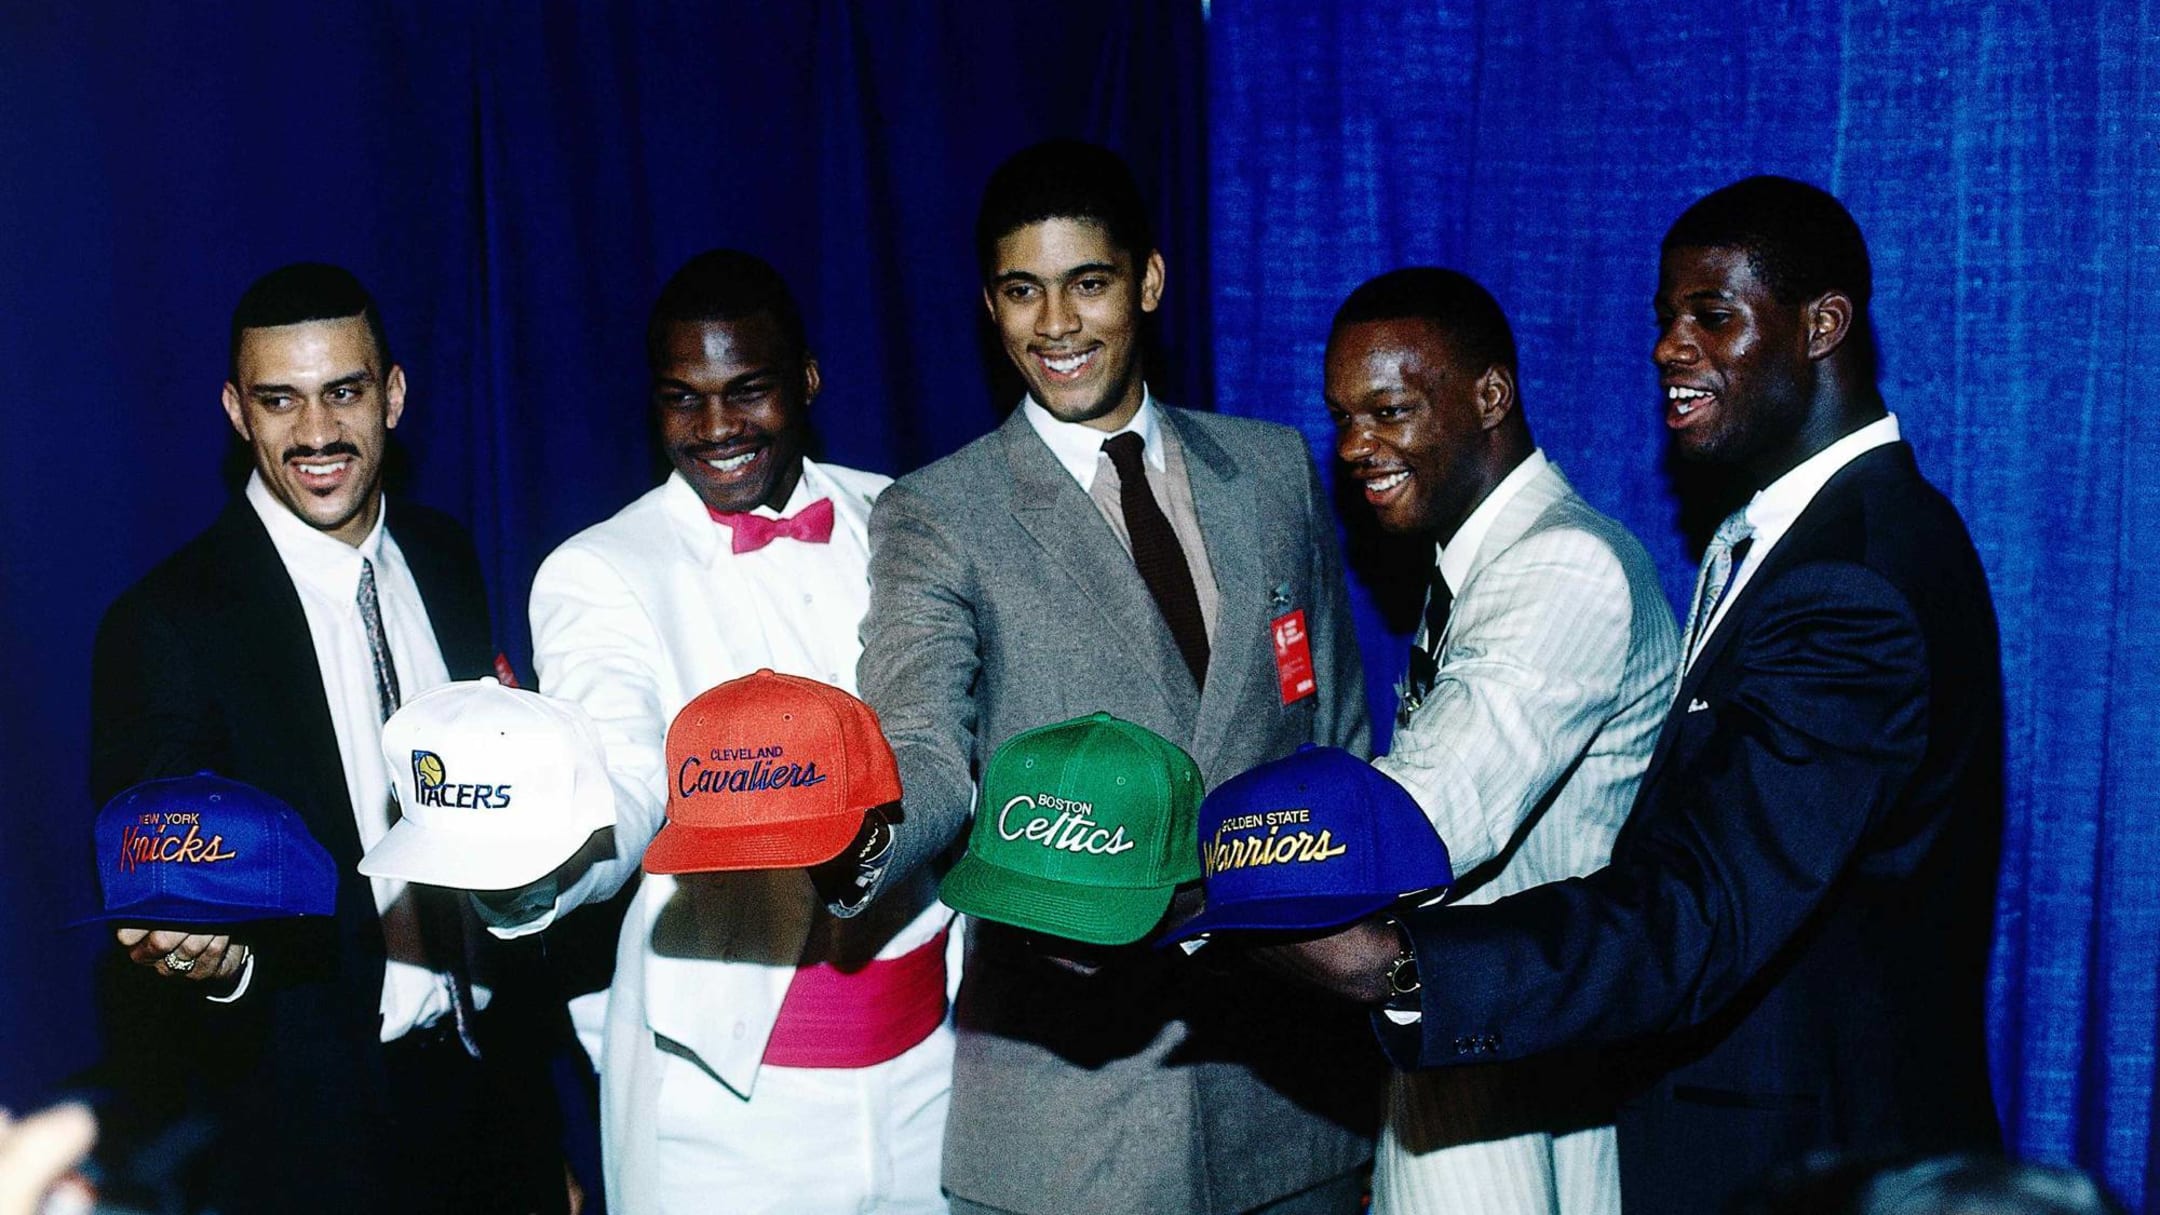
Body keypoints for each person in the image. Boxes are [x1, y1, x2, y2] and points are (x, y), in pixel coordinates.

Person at [1261, 177, 2004, 1213]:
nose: (1668, 348)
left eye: (1713, 315)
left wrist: (1404, 969)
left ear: (1822, 326)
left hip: (1820, 1161)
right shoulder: (1806, 541)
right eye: (1664, 319)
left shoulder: (1857, 577)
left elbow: (1701, 907)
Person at [856, 138, 1377, 1215]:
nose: (1056, 326)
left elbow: (1337, 735)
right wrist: (863, 835)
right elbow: (920, 742)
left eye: (1087, 284)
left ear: (1146, 280)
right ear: (988, 305)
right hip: (1068, 1121)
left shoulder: (1273, 469)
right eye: (1021, 292)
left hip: (1293, 1107)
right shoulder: (938, 514)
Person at [476, 249, 953, 1213]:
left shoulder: (909, 515)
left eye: (749, 391)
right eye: (681, 399)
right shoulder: (602, 568)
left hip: (935, 1078)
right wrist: (533, 863)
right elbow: (624, 774)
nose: (717, 429)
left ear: (808, 381)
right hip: (724, 1114)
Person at [86, 263, 558, 1213]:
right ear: (235, 410)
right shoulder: (167, 623)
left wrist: (540, 1141)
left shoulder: (446, 555)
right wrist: (210, 960)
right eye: (278, 400)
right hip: (309, 1140)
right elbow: (163, 900)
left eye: (343, 391)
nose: (314, 434)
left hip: (492, 1102)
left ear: (392, 394)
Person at [1322, 267, 1677, 1214]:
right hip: (1471, 1055)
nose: (1357, 445)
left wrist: (1194, 855)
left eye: (1388, 410)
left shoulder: (1565, 565)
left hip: (1517, 1081)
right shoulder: (1477, 565)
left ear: (1490, 396)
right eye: (1343, 417)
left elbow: (1418, 821)